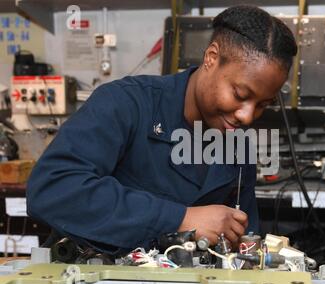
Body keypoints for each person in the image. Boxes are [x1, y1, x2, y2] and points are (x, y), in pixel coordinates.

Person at [26, 5, 297, 254]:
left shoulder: (236, 143)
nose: (247, 116)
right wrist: (181, 219)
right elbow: (52, 190)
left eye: (263, 104)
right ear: (212, 58)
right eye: (239, 94)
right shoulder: (126, 104)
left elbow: (245, 241)